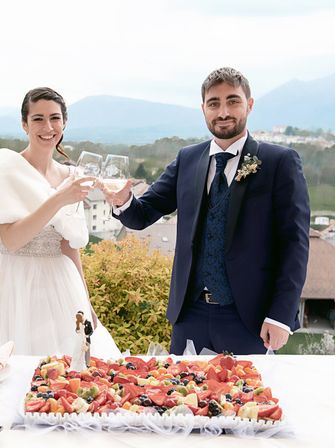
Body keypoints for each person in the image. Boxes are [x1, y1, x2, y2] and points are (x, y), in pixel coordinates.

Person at [103, 67, 310, 355]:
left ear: (249, 105)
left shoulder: (279, 162)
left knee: (247, 398)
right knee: (183, 397)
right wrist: (122, 200)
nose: (223, 111)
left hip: (249, 318)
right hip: (190, 317)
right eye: (214, 103)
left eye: (233, 101)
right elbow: (142, 214)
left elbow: (295, 244)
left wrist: (280, 315)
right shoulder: (188, 159)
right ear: (203, 109)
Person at [0, 87, 120, 358]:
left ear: (64, 123)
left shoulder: (71, 175)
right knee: (3, 370)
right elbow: (11, 240)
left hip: (60, 285)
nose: (47, 127)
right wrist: (59, 198)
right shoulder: (7, 166)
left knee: (67, 371)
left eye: (55, 118)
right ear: (24, 124)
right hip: (12, 282)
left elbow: (69, 245)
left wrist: (86, 300)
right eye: (38, 118)